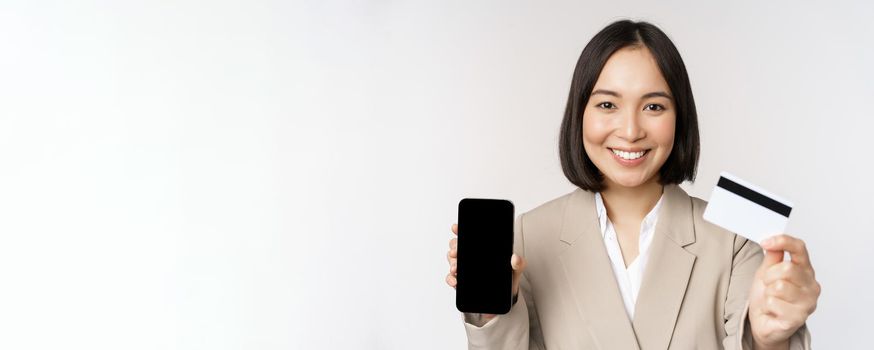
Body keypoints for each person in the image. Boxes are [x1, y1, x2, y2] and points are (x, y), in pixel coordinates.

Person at [445, 20, 819, 349]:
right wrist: (491, 314)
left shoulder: (733, 239)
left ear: (680, 119)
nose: (630, 131)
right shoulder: (530, 234)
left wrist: (770, 340)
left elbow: (758, 337)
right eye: (608, 105)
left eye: (654, 107)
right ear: (580, 114)